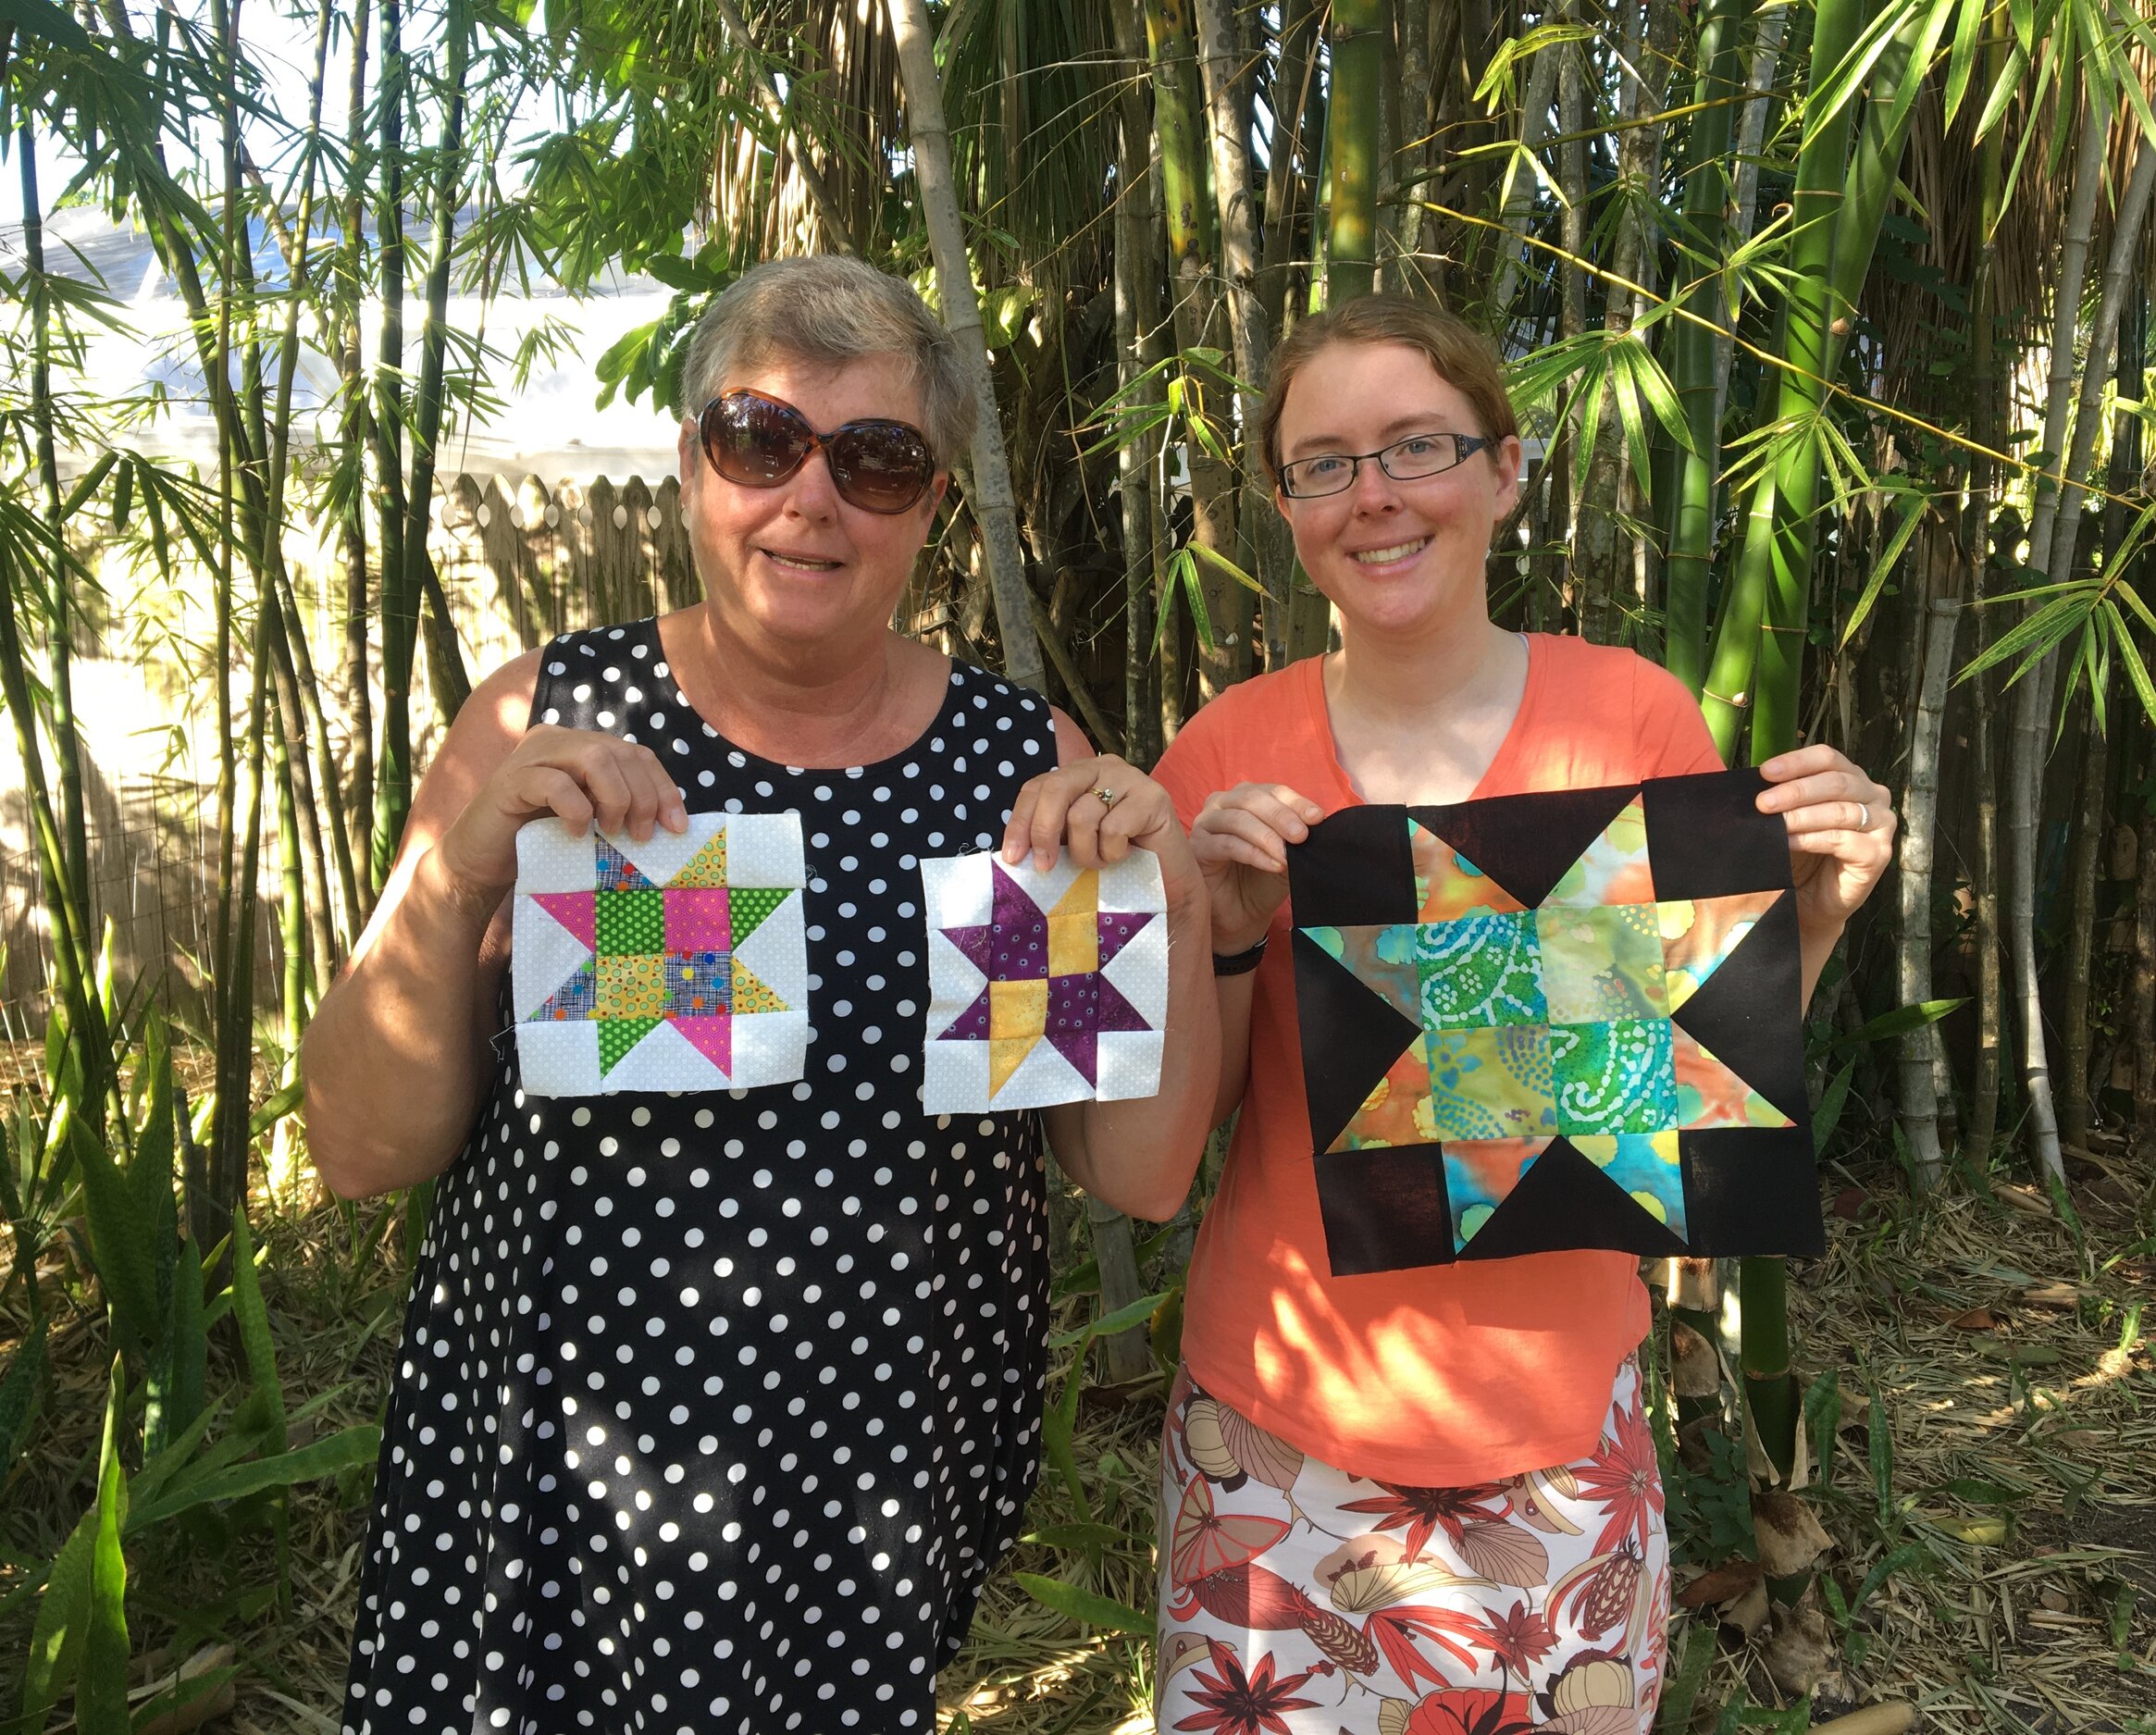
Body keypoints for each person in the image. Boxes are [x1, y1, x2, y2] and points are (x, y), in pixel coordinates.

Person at [302, 255, 1217, 1735]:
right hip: (556, 1489)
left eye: (876, 460)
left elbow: (1137, 1172)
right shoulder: (549, 727)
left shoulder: (1015, 771)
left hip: (868, 1499)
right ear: (688, 466)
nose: (812, 499)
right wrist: (460, 875)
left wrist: (1168, 895)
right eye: (760, 440)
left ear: (930, 506)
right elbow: (355, 1152)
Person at [1147, 296, 1892, 1733]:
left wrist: (1811, 915)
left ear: (1505, 468)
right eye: (1323, 462)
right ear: (1286, 504)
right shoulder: (1229, 752)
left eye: (1416, 445)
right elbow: (1178, 1141)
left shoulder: (1631, 718)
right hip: (1276, 1442)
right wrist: (1229, 945)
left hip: (1559, 1439)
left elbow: (1671, 1092)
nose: (1373, 495)